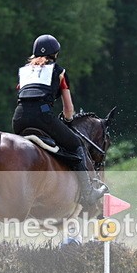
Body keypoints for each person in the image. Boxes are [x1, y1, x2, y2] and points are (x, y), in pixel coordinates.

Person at [12, 34, 106, 207]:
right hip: (43, 118)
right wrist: (67, 120)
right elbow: (68, 110)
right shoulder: (59, 72)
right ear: (55, 54)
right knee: (76, 144)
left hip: (18, 119)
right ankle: (87, 194)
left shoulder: (23, 71)